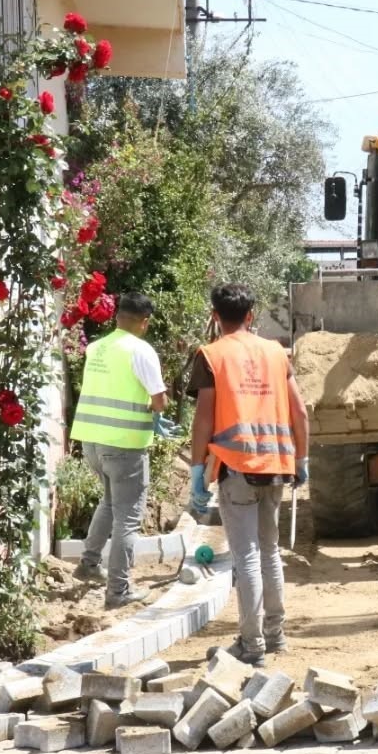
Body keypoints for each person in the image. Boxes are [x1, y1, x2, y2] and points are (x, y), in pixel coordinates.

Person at [187, 283, 311, 667]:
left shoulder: (211, 355)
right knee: (269, 551)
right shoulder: (276, 353)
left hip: (237, 466)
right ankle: (275, 635)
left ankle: (251, 645)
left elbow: (203, 417)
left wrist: (197, 468)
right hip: (276, 465)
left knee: (247, 556)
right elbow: (300, 412)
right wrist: (301, 458)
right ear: (251, 315)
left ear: (215, 316)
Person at [70, 292, 180, 608]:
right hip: (124, 444)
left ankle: (89, 564)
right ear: (145, 322)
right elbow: (159, 400)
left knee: (109, 502)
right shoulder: (141, 350)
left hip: (91, 441)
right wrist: (156, 412)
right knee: (128, 519)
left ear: (117, 316)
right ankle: (118, 590)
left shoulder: (97, 347)